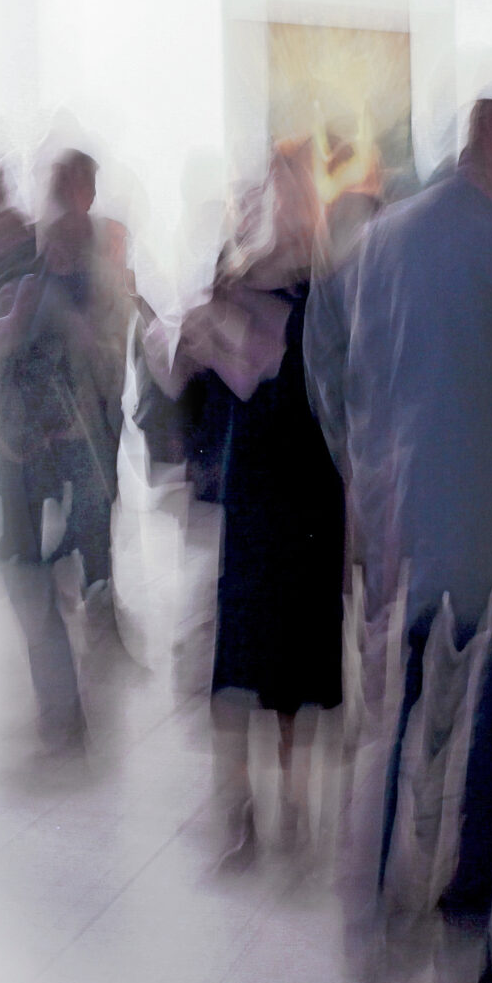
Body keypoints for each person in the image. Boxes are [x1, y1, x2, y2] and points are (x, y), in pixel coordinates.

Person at [308, 91, 492, 983]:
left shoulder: (385, 240)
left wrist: (368, 467)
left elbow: (335, 366)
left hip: (405, 525)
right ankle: (469, 931)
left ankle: (375, 919)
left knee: (400, 723)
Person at [165, 141, 347, 862]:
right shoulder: (250, 278)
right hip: (267, 487)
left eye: (285, 190)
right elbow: (194, 379)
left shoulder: (326, 287)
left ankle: (287, 808)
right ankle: (246, 807)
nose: (275, 205)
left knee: (292, 660)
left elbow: (347, 392)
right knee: (250, 653)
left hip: (303, 486)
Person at [0, 145, 134, 749]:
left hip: (80, 435)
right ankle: (63, 707)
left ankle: (68, 705)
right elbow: (0, 343)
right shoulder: (33, 252)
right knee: (32, 572)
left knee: (61, 562)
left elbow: (108, 346)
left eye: (76, 186)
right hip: (36, 439)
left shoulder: (99, 253)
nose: (69, 196)